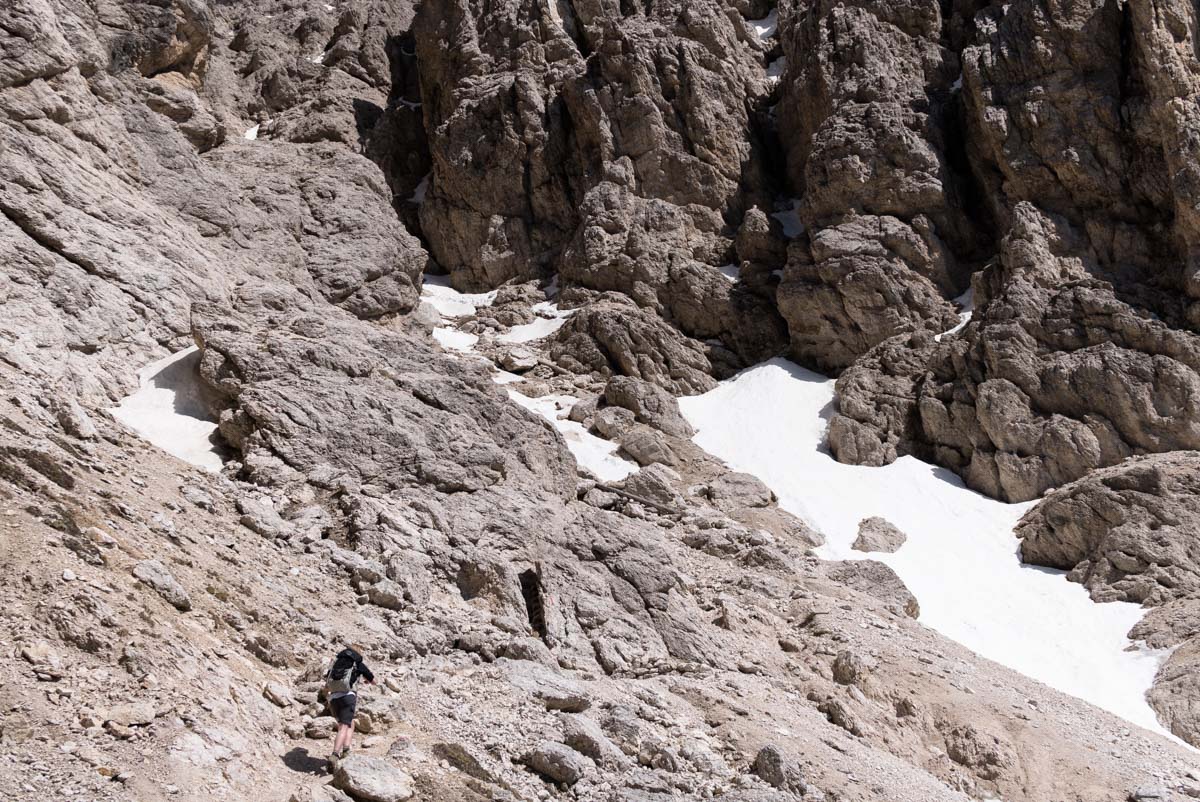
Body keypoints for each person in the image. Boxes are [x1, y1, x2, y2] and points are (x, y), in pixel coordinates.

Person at [323, 646, 375, 764]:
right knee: (343, 727)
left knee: (350, 723)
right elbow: (373, 680)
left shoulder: (336, 662)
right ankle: (335, 754)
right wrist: (368, 680)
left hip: (333, 698)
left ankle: (346, 749)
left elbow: (327, 680)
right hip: (348, 696)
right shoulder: (357, 663)